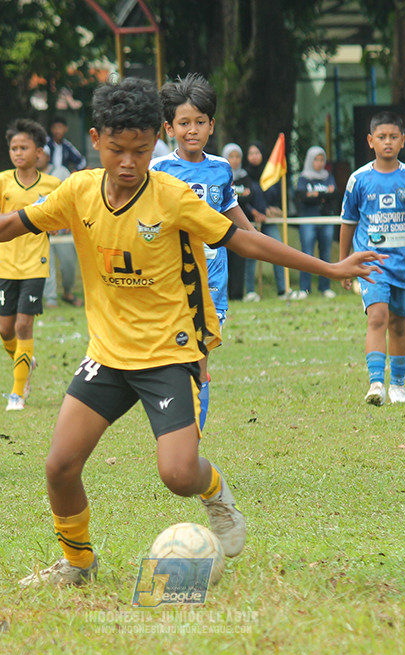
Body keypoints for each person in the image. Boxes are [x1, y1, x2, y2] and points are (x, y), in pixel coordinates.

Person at [0, 77, 384, 587]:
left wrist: (332, 268)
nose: (128, 163)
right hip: (108, 356)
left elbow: (245, 242)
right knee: (59, 467)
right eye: (117, 150)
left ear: (153, 144)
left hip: (168, 352)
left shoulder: (172, 196)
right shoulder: (78, 191)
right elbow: (17, 222)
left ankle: (217, 495)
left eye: (141, 151)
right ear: (96, 140)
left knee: (179, 475)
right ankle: (77, 563)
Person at [151, 73, 258, 431]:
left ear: (211, 126)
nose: (192, 130)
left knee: (200, 357)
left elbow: (229, 207)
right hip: (171, 277)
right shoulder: (158, 170)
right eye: (184, 123)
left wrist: (253, 237)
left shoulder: (221, 168)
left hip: (213, 278)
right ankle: (178, 430)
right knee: (175, 358)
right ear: (169, 128)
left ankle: (191, 435)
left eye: (199, 122)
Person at [338, 111, 405, 406]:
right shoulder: (359, 180)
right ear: (370, 141)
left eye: (393, 137)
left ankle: (398, 385)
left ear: (402, 140)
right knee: (377, 317)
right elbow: (347, 223)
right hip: (372, 265)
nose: (387, 142)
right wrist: (344, 263)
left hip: (404, 266)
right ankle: (376, 383)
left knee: (399, 325)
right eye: (381, 137)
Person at [0, 119, 61, 410]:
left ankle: (17, 392)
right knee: (5, 330)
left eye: (24, 147)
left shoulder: (53, 185)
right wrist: (13, 218)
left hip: (36, 265)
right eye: (14, 148)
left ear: (39, 152)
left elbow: (63, 219)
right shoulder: (0, 181)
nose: (18, 152)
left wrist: (53, 224)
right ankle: (24, 361)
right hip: (6, 263)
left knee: (25, 325)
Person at [37, 146, 81, 308]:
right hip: (41, 227)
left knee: (69, 263)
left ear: (48, 157)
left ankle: (68, 292)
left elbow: (72, 196)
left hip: (62, 228)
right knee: (46, 263)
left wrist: (70, 219)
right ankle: (50, 298)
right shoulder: (29, 177)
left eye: (43, 155)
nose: (39, 158)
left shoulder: (60, 172)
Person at [294, 146, 339, 299]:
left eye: (321, 160)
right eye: (316, 160)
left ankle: (324, 287)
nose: (319, 163)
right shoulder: (303, 177)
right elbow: (303, 196)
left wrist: (315, 194)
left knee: (325, 253)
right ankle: (304, 288)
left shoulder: (328, 176)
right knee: (307, 253)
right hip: (308, 219)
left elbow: (334, 194)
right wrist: (323, 194)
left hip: (326, 219)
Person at [245, 141, 288, 298]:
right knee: (251, 256)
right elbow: (241, 199)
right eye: (251, 153)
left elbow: (275, 196)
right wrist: (253, 212)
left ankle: (283, 290)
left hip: (268, 221)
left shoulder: (270, 174)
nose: (254, 157)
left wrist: (270, 209)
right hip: (249, 221)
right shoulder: (244, 175)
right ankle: (250, 291)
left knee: (278, 250)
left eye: (257, 153)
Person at [222, 142, 262, 301]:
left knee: (239, 259)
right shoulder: (221, 174)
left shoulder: (245, 176)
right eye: (231, 156)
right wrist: (241, 194)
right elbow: (225, 197)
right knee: (223, 261)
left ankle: (237, 295)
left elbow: (250, 195)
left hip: (240, 224)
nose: (235, 160)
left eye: (237, 156)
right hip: (223, 222)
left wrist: (240, 196)